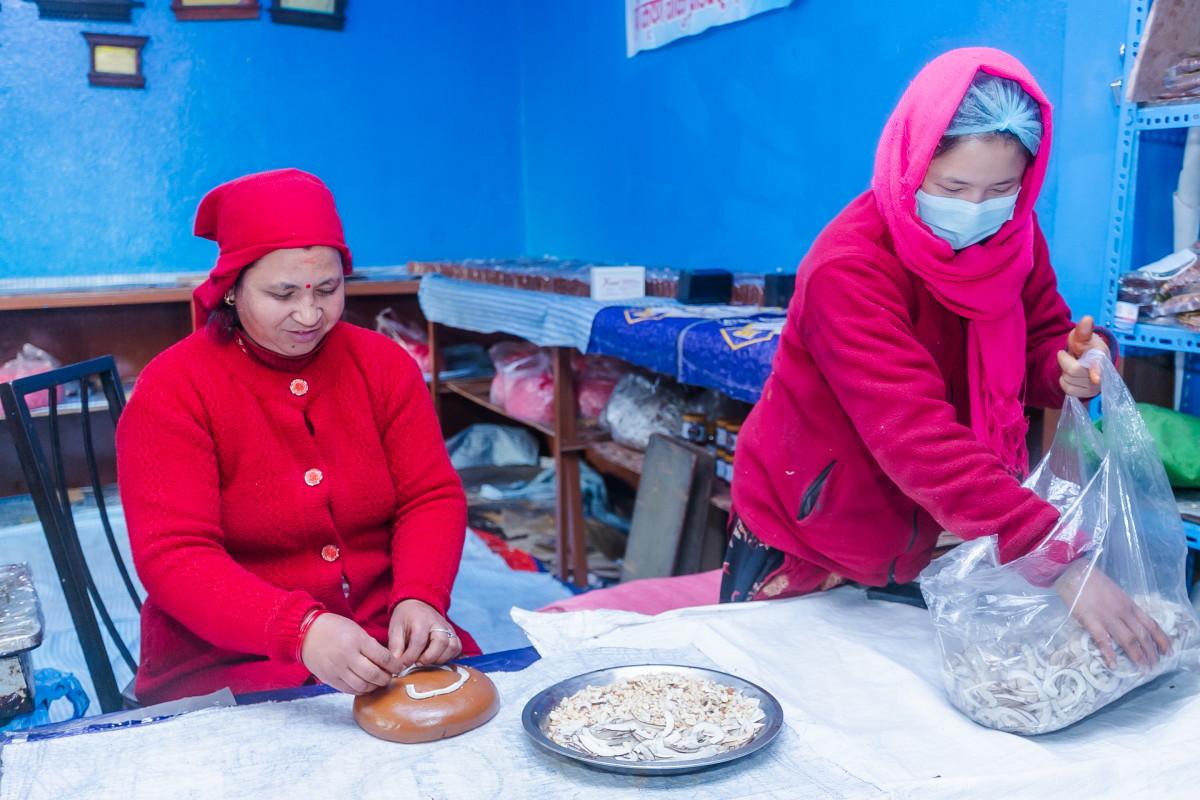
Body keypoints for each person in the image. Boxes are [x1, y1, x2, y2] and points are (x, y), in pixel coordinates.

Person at [728, 48, 1170, 669]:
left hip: (948, 524)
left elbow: (1041, 339)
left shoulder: (1013, 235)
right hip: (821, 529)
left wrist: (1069, 366)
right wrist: (1052, 553)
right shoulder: (851, 267)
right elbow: (912, 433)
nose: (975, 210)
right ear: (912, 164)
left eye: (1001, 189)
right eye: (953, 187)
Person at [117, 168, 479, 705]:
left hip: (382, 636)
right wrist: (301, 631)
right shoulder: (174, 390)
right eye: (282, 293)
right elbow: (176, 557)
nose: (310, 314)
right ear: (232, 290)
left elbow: (430, 495)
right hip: (230, 657)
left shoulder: (383, 367)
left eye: (328, 290)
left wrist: (421, 597)